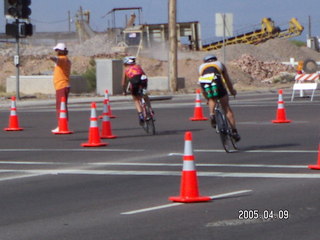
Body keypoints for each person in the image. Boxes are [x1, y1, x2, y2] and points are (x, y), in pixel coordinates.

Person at [198, 54, 240, 142]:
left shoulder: (201, 67)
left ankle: (212, 114)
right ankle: (234, 131)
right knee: (226, 108)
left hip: (204, 83)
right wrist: (232, 91)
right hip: (217, 81)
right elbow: (227, 80)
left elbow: (202, 87)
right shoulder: (220, 64)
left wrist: (207, 99)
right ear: (215, 59)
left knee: (211, 98)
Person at [121, 56, 152, 125]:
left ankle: (141, 115)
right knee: (145, 95)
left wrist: (124, 90)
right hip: (143, 80)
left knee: (135, 99)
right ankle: (150, 110)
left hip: (134, 82)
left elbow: (123, 82)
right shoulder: (138, 66)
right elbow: (144, 74)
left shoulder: (126, 69)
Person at [49, 43, 71, 133]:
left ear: (61, 51)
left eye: (57, 50)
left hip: (61, 86)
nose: (56, 52)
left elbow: (56, 59)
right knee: (63, 106)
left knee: (60, 106)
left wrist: (51, 58)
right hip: (63, 85)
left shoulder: (63, 59)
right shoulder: (67, 60)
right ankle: (64, 124)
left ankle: (61, 125)